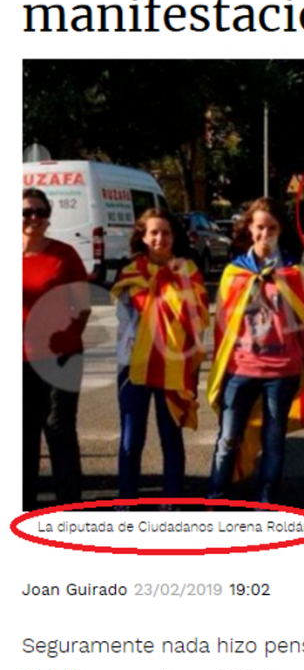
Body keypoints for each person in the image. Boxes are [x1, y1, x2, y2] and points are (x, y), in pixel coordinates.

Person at [207, 197, 304, 505]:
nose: (266, 234)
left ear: (280, 231)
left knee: (274, 442)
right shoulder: (233, 273)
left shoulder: (292, 273)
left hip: (282, 371)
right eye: (260, 227)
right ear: (250, 229)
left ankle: (266, 504)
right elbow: (222, 328)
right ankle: (215, 499)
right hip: (240, 369)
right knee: (227, 440)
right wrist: (219, 368)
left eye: (272, 228)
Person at [111, 209, 209, 507]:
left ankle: (173, 505)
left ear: (174, 236)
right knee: (131, 440)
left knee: (171, 438)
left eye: (165, 232)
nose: (159, 238)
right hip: (134, 365)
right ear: (142, 236)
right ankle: (128, 503)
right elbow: (122, 316)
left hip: (174, 365)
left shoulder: (188, 270)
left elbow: (199, 316)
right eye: (153, 232)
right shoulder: (129, 271)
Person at [22, 188, 91, 512]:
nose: (33, 218)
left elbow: (83, 307)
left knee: (60, 432)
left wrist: (65, 339)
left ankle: (68, 512)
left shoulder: (65, 255)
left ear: (48, 217)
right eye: (26, 212)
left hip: (61, 358)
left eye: (40, 212)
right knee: (23, 437)